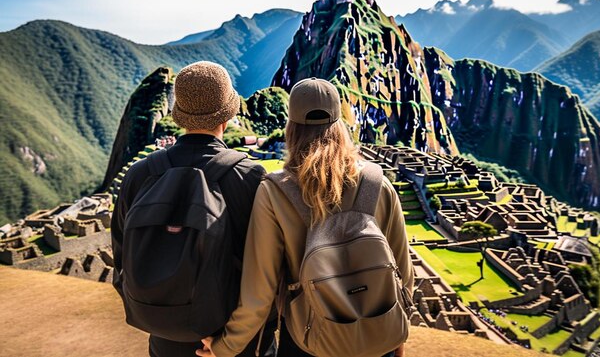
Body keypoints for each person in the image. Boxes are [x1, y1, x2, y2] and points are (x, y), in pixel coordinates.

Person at [197, 78, 414, 357]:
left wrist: (225, 347)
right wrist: (397, 339)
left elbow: (259, 292)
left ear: (291, 127)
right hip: (377, 336)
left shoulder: (275, 192)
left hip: (310, 342)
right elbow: (402, 276)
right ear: (340, 124)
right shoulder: (376, 184)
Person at [111, 61, 275, 357]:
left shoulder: (139, 176)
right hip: (236, 340)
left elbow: (122, 257)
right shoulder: (250, 178)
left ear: (179, 115)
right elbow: (267, 270)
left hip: (164, 338)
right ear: (229, 113)